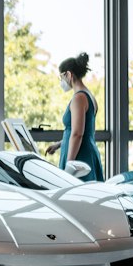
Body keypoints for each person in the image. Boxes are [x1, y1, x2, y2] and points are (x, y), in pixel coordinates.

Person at [45, 52, 104, 180]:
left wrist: (69, 166)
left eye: (62, 77)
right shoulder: (89, 96)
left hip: (79, 158)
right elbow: (84, 130)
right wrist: (59, 144)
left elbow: (78, 134)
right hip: (86, 153)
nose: (61, 81)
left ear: (69, 74)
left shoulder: (79, 98)